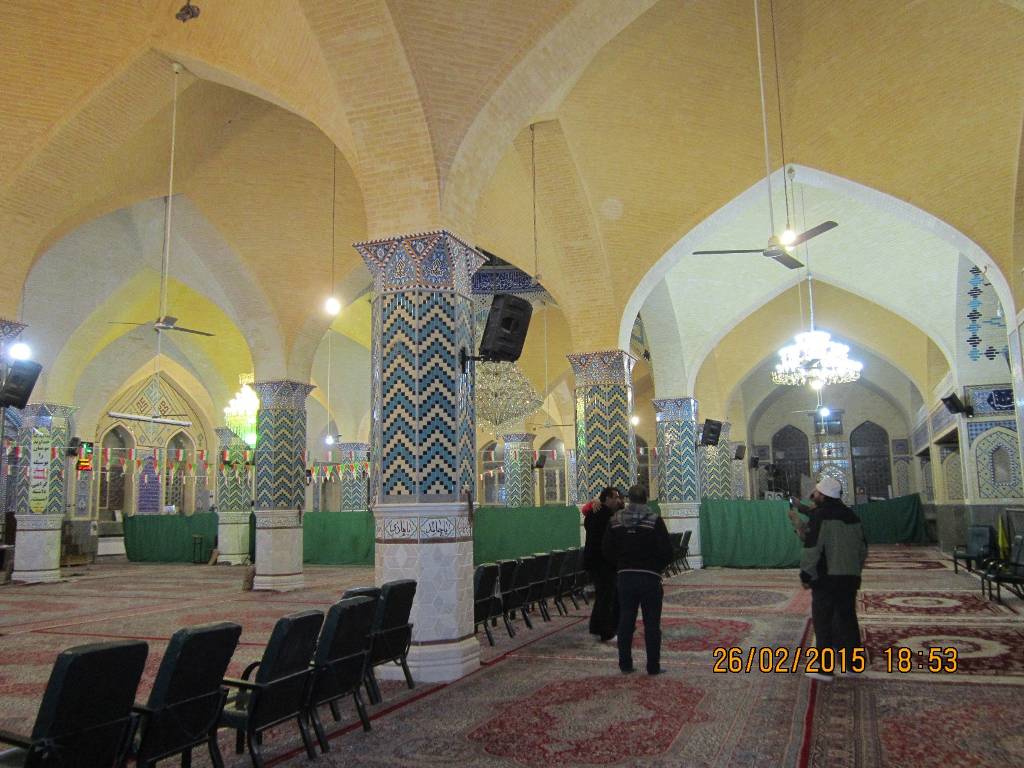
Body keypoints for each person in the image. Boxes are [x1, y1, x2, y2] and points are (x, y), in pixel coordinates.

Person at [788, 475, 868, 682]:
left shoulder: (821, 517)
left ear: (823, 495)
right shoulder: (852, 515)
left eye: (816, 492)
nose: (814, 494)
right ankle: (853, 666)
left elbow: (812, 549)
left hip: (827, 578)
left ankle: (825, 669)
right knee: (847, 620)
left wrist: (806, 574)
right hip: (849, 578)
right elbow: (862, 549)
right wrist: (854, 570)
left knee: (824, 622)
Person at [602, 484, 673, 675]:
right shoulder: (654, 520)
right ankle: (653, 666)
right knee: (652, 623)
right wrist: (656, 568)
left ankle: (625, 664)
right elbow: (667, 551)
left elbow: (606, 550)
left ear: (628, 499)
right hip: (650, 578)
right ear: (646, 499)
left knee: (626, 620)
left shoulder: (615, 521)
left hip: (625, 577)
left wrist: (621, 565)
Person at [583, 486, 623, 641]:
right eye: (615, 497)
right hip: (603, 562)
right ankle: (606, 632)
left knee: (602, 595)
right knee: (607, 597)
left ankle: (596, 626)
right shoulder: (606, 516)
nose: (618, 500)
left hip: (595, 561)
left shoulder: (595, 513)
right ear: (607, 498)